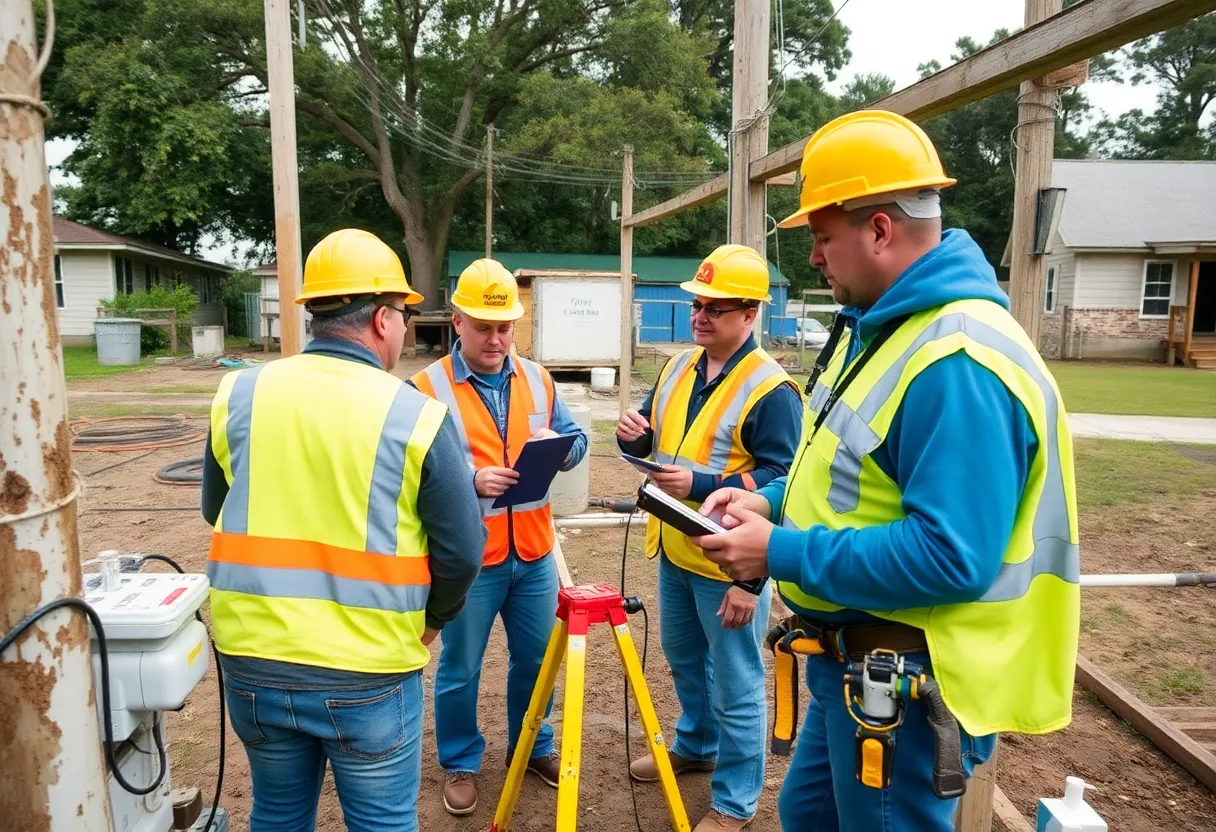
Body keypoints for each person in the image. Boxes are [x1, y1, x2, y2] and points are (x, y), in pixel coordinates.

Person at [696, 110, 1080, 832]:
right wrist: (772, 505)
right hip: (856, 666)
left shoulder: (958, 362)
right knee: (805, 815)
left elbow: (951, 556)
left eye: (821, 236)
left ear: (879, 229)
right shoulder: (881, 327)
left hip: (907, 681)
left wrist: (779, 551)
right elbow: (848, 471)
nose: (813, 258)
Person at [200, 228, 486, 832]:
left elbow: (214, 508)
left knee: (277, 814)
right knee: (381, 822)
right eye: (405, 316)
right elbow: (461, 552)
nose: (404, 329)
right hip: (368, 670)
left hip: (253, 661)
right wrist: (434, 620)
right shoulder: (415, 414)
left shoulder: (240, 393)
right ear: (383, 320)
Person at [615, 244, 803, 832]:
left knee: (739, 684)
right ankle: (696, 745)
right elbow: (653, 444)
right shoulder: (677, 367)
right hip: (674, 547)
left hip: (733, 562)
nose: (700, 315)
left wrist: (753, 580)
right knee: (685, 661)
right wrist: (634, 439)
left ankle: (735, 800)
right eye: (698, 304)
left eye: (717, 308)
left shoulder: (772, 390)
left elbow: (785, 480)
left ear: (751, 315)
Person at [409, 258, 589, 817]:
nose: (495, 338)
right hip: (468, 559)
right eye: (483, 326)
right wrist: (468, 481)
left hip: (533, 552)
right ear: (457, 321)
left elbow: (579, 441)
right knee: (460, 667)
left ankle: (533, 748)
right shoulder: (424, 387)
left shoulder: (537, 378)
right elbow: (406, 471)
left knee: (534, 662)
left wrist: (556, 445)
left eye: (504, 326)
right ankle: (461, 762)